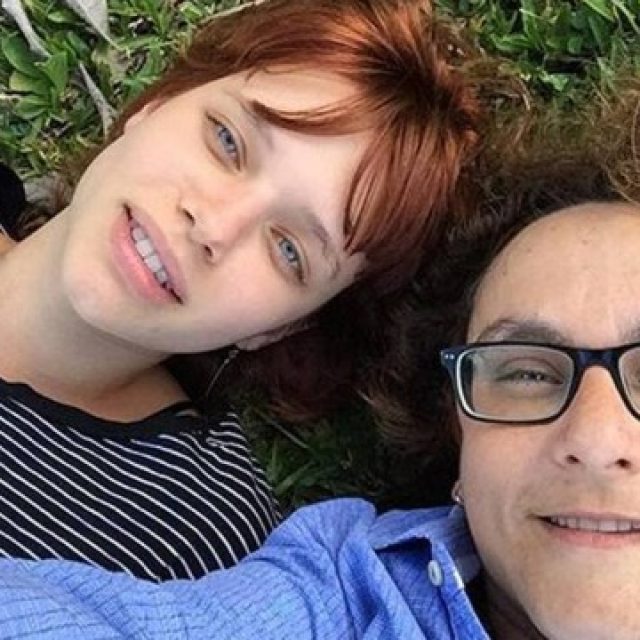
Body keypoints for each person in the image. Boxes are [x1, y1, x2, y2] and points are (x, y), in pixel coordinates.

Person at [0, 81, 634, 640]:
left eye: (290, 251)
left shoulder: (193, 515)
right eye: (527, 373)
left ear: (283, 327)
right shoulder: (340, 593)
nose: (597, 439)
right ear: (458, 440)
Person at [0, 0, 484, 582]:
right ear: (157, 104)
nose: (213, 224)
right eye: (228, 141)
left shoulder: (188, 540)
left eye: (289, 251)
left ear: (284, 327)